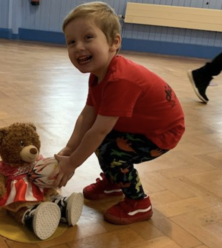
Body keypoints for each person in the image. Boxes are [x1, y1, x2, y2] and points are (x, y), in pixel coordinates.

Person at [51, 1, 185, 225]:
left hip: (162, 133)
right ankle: (115, 183)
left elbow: (99, 131)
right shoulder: (98, 75)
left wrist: (72, 162)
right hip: (139, 125)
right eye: (71, 42)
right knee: (98, 143)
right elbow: (87, 117)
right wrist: (69, 149)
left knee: (111, 151)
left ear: (114, 43)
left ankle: (139, 202)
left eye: (88, 37)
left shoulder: (120, 79)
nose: (78, 47)